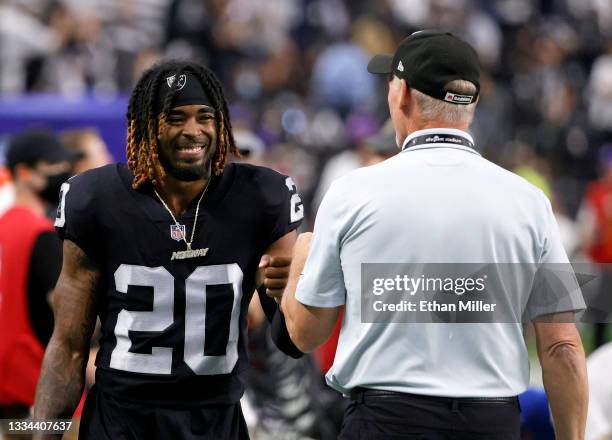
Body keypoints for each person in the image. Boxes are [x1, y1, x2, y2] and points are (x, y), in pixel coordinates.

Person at [281, 30, 588, 439]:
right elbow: (562, 347)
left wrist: (300, 257)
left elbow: (305, 334)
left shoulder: (351, 192)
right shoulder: (530, 202)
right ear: (473, 104)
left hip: (385, 421)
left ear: (402, 93)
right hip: (489, 424)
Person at [32, 59, 304, 440]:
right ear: (145, 126)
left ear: (221, 122)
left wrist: (285, 290)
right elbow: (68, 347)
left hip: (216, 422)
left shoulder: (261, 195)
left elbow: (291, 341)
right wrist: (44, 434)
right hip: (120, 424)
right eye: (175, 118)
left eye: (204, 117)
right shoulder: (96, 199)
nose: (193, 131)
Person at [0, 130, 75, 420]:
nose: (63, 173)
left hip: (11, 389)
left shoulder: (5, 224)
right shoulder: (41, 234)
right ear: (25, 172)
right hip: (38, 389)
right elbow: (70, 317)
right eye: (54, 166)